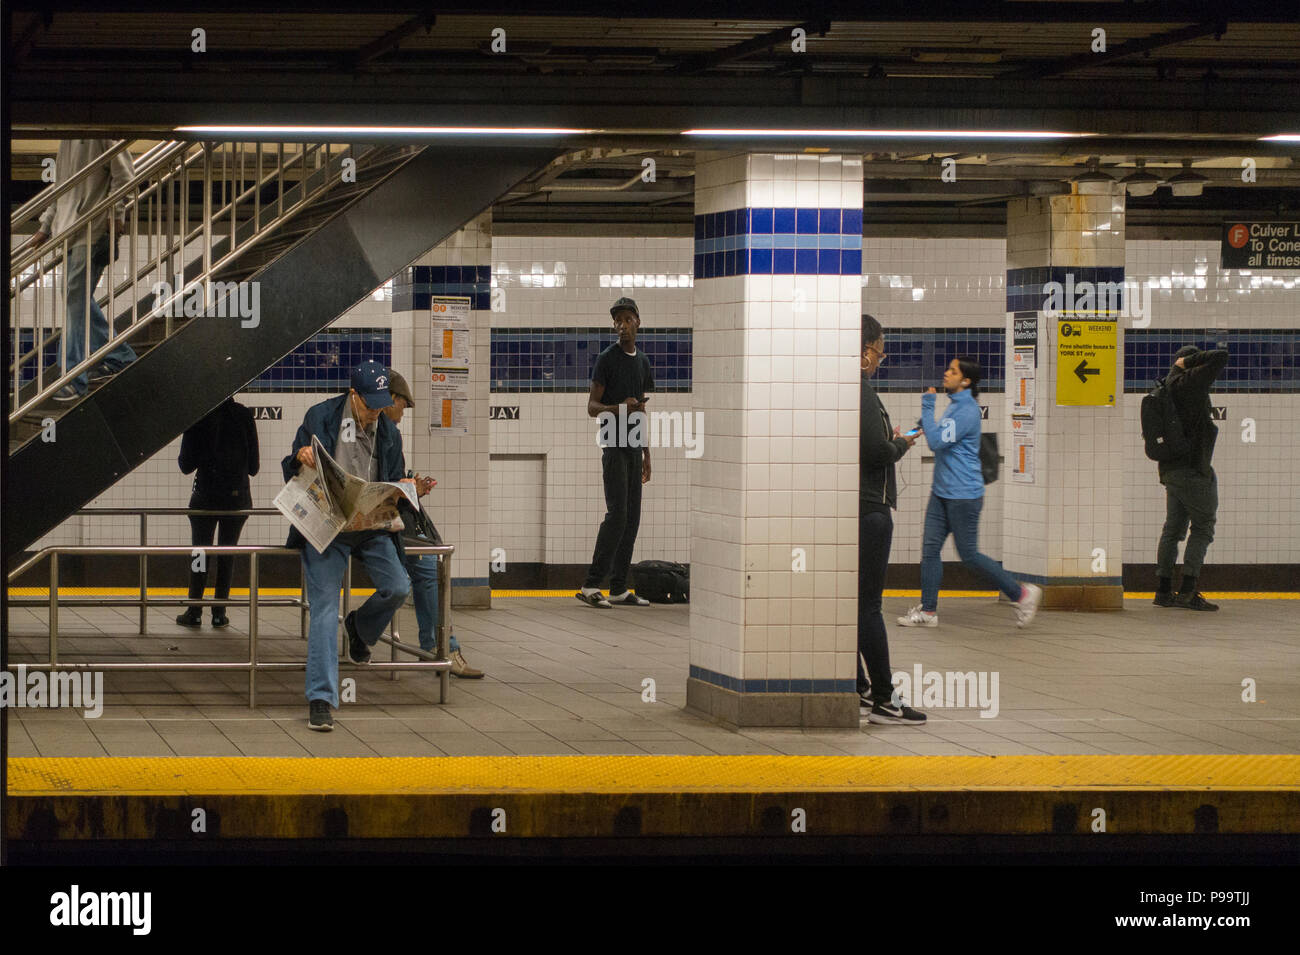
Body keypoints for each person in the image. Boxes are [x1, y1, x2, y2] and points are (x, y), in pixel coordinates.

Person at [282, 360, 411, 732]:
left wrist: (406, 488)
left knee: (398, 586)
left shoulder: (388, 430)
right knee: (323, 606)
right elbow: (294, 464)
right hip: (328, 524)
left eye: (380, 404)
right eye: (369, 404)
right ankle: (321, 698)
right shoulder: (321, 417)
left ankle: (360, 627)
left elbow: (393, 476)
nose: (375, 412)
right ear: (353, 395)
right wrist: (300, 457)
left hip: (369, 526)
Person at [899, 357, 1042, 629]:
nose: (946, 373)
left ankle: (1022, 594)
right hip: (941, 492)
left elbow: (937, 441)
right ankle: (928, 612)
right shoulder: (955, 407)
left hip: (963, 495)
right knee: (930, 550)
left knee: (969, 555)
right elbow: (939, 435)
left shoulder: (966, 410)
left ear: (965, 381)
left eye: (952, 371)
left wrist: (928, 406)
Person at [382, 368, 484, 678]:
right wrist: (414, 488)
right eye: (402, 406)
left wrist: (409, 483)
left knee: (423, 572)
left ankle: (438, 646)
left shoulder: (381, 431)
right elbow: (385, 486)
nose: (403, 414)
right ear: (390, 399)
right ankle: (442, 648)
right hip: (386, 524)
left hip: (388, 519)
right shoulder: (387, 432)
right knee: (428, 570)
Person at [30, 140, 138, 401]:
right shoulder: (67, 139)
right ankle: (120, 356)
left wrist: (116, 214)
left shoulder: (103, 131)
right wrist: (45, 226)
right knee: (75, 301)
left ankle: (73, 379)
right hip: (69, 232)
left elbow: (125, 175)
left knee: (74, 302)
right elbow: (62, 187)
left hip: (94, 229)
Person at [858, 315, 926, 725]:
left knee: (851, 605)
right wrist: (901, 442)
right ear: (866, 351)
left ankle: (858, 684)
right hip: (871, 512)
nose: (880, 361)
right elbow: (875, 451)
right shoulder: (862, 391)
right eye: (880, 353)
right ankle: (884, 695)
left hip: (857, 509)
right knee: (869, 607)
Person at [576, 296, 654, 609]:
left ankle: (619, 587)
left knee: (632, 518)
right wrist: (617, 408)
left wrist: (648, 453)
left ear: (637, 322)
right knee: (617, 515)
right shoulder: (607, 359)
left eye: (627, 320)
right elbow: (591, 407)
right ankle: (591, 584)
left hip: (635, 447)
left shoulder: (643, 362)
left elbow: (642, 410)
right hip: (613, 445)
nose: (621, 326)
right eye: (617, 321)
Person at [1154, 345, 1229, 611]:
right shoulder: (1191, 383)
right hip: (1193, 470)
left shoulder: (1167, 385)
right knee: (1203, 527)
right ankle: (1187, 590)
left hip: (1170, 471)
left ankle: (1162, 591)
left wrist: (1181, 363)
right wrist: (1191, 361)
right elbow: (1221, 356)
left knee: (1172, 529)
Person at [175, 397, 260, 629]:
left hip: (206, 496)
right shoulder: (244, 415)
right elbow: (254, 467)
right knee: (227, 553)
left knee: (200, 552)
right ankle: (219, 612)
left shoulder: (199, 416)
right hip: (237, 498)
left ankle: (194, 610)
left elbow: (185, 465)